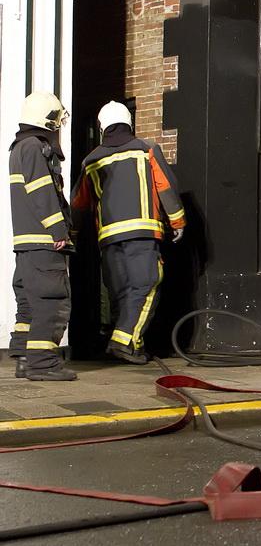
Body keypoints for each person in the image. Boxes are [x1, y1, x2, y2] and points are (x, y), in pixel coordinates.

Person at [71, 101, 186, 365]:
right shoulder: (146, 149)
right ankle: (123, 342)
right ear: (128, 122)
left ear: (102, 127)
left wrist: (72, 233)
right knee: (146, 284)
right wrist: (177, 221)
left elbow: (78, 203)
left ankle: (132, 345)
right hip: (142, 233)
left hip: (109, 239)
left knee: (121, 291)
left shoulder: (90, 161)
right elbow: (165, 186)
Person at [8, 92, 77, 381]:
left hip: (26, 245)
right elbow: (42, 191)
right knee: (51, 300)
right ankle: (43, 363)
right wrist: (58, 230)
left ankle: (25, 358)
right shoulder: (36, 147)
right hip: (43, 241)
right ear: (47, 119)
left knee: (29, 302)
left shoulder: (19, 148)